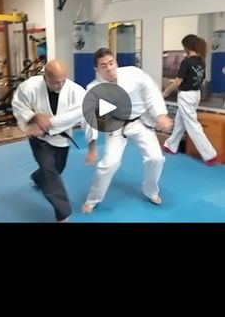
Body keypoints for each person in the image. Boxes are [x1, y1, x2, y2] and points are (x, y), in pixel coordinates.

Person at [82, 48, 173, 213]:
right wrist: (92, 147)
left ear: (116, 61)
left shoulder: (133, 73)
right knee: (109, 164)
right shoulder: (93, 89)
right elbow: (92, 119)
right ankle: (93, 199)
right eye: (104, 65)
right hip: (115, 127)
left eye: (111, 63)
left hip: (139, 122)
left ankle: (151, 191)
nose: (109, 68)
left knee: (156, 158)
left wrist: (160, 115)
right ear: (97, 69)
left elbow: (151, 91)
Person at [12, 59, 92, 222]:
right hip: (38, 137)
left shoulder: (76, 91)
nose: (60, 85)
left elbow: (88, 117)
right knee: (50, 171)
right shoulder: (29, 87)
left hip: (62, 139)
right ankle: (63, 213)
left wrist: (92, 146)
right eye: (56, 82)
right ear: (45, 77)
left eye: (63, 80)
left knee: (57, 169)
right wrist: (33, 116)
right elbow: (19, 105)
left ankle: (37, 177)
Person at [162, 34, 218, 165]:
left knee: (192, 125)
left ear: (187, 47)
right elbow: (201, 79)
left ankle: (210, 155)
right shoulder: (201, 61)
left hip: (186, 95)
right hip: (196, 94)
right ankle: (171, 145)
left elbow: (177, 82)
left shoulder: (187, 61)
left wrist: (165, 93)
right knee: (180, 120)